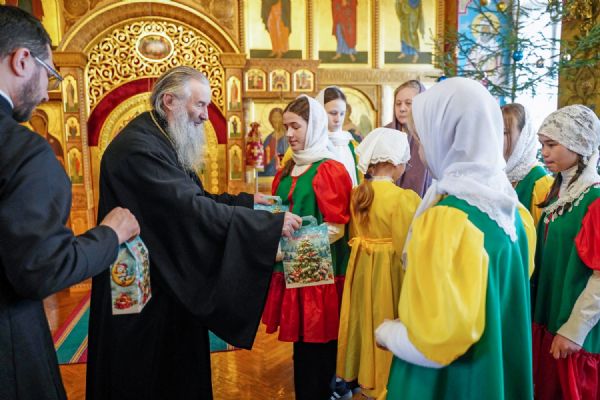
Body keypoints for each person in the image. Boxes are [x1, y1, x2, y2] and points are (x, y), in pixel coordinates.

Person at [86, 66, 302, 399]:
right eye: (200, 105)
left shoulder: (159, 137)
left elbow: (194, 197)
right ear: (169, 101)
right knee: (143, 375)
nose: (205, 115)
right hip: (140, 288)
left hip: (166, 278)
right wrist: (267, 225)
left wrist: (247, 204)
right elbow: (188, 208)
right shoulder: (139, 149)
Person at [0, 6, 139, 400]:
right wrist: (110, 234)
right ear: (22, 60)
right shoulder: (22, 151)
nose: (47, 92)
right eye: (49, 72)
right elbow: (42, 270)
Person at [376, 77, 535, 399]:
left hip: (451, 382)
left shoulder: (448, 219)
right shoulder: (514, 214)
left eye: (422, 140)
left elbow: (435, 339)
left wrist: (387, 333)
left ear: (449, 140)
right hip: (493, 371)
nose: (420, 152)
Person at [261, 95, 352, 400]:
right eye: (285, 126)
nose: (288, 134)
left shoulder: (330, 169)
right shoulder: (288, 169)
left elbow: (336, 228)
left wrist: (287, 250)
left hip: (319, 275)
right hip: (293, 270)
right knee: (301, 351)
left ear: (313, 126)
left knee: (318, 353)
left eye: (295, 126)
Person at [337, 127, 420, 399]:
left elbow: (353, 234)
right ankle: (385, 380)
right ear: (396, 164)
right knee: (385, 316)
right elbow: (408, 247)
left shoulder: (357, 194)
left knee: (364, 318)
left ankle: (365, 376)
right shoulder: (403, 198)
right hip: (389, 271)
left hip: (362, 266)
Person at [531, 105, 600, 399]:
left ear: (578, 143)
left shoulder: (594, 199)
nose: (544, 153)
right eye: (542, 145)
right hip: (548, 316)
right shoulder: (558, 193)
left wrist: (574, 329)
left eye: (552, 144)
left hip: (573, 329)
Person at [502, 103, 553, 225]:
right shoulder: (495, 175)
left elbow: (541, 234)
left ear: (524, 136)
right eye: (494, 130)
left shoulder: (541, 184)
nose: (496, 137)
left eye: (504, 132)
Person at [385, 79, 431, 197]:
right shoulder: (384, 133)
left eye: (408, 103)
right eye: (398, 103)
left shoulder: (431, 135)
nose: (402, 108)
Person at [316, 86, 361, 186]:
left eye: (342, 114)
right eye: (333, 113)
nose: (338, 119)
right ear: (320, 112)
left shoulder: (351, 144)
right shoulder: (311, 143)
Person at [260, 107, 286, 176]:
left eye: (279, 117)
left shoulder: (288, 137)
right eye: (274, 117)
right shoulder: (269, 138)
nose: (276, 120)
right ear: (270, 120)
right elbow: (263, 158)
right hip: (269, 172)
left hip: (285, 170)